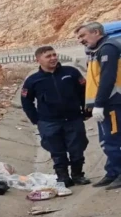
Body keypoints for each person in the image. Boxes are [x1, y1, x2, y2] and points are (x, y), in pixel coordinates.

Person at [21, 46, 91, 187]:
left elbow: (85, 91)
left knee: (77, 149)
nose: (53, 58)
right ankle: (63, 177)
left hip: (73, 119)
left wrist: (87, 109)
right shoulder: (33, 80)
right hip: (49, 122)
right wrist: (36, 119)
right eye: (48, 56)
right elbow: (26, 100)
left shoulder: (71, 72)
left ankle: (77, 175)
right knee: (57, 152)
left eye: (54, 55)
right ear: (38, 59)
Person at [76, 21, 121, 189]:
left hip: (112, 102)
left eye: (83, 35)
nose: (80, 40)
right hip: (106, 102)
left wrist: (100, 104)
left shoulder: (108, 48)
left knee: (113, 139)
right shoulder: (96, 50)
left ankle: (118, 172)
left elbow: (107, 79)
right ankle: (112, 172)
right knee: (106, 140)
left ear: (96, 32)